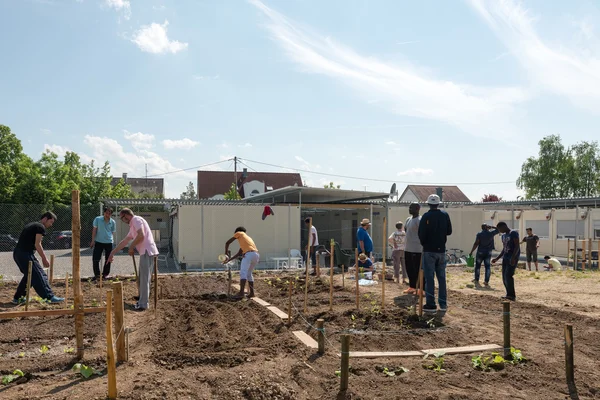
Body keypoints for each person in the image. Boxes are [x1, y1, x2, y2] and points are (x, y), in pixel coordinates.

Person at [107, 208, 158, 311]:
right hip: (145, 252)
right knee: (143, 278)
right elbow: (125, 241)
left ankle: (143, 304)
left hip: (147, 251)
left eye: (122, 218)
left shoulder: (136, 219)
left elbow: (141, 235)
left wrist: (131, 247)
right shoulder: (132, 225)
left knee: (144, 279)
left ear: (126, 215)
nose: (123, 220)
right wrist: (112, 253)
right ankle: (142, 300)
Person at [12, 212, 64, 304]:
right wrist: (44, 258)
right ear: (45, 219)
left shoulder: (32, 225)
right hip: (25, 254)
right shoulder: (40, 227)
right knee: (39, 274)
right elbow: (38, 244)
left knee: (30, 276)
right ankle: (49, 297)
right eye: (50, 222)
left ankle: (18, 298)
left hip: (18, 253)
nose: (51, 225)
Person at [418, 194, 452, 313]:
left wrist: (424, 243)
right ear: (438, 203)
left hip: (428, 251)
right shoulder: (444, 215)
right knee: (441, 278)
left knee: (429, 278)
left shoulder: (426, 216)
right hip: (441, 250)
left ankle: (431, 304)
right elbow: (449, 231)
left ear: (428, 203)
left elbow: (421, 234)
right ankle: (443, 304)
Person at [223, 227, 260, 299]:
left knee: (243, 272)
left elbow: (227, 243)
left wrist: (226, 254)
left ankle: (241, 293)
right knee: (249, 273)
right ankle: (252, 293)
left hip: (249, 254)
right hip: (256, 255)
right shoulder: (247, 240)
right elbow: (239, 253)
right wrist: (229, 260)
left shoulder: (239, 233)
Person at [492, 222, 520, 301]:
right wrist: (497, 258)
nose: (499, 231)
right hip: (505, 258)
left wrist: (513, 257)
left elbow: (517, 246)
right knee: (504, 276)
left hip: (512, 258)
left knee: (508, 275)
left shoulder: (513, 233)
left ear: (504, 226)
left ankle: (512, 295)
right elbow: (504, 249)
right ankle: (508, 294)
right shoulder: (503, 236)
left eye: (500, 229)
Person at [90, 206, 116, 280]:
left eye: (109, 213)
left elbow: (112, 232)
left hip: (109, 242)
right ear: (104, 213)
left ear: (111, 214)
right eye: (106, 213)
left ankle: (105, 274)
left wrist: (112, 241)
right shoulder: (98, 219)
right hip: (98, 241)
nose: (107, 215)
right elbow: (94, 230)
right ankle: (97, 275)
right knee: (95, 258)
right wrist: (93, 240)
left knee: (108, 259)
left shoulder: (113, 222)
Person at [403, 203, 422, 294]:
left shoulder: (420, 220)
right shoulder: (408, 219)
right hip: (407, 248)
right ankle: (412, 286)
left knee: (417, 269)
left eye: (412, 208)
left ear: (417, 209)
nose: (409, 209)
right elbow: (406, 231)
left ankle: (421, 289)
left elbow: (422, 234)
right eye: (409, 207)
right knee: (409, 268)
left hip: (417, 249)